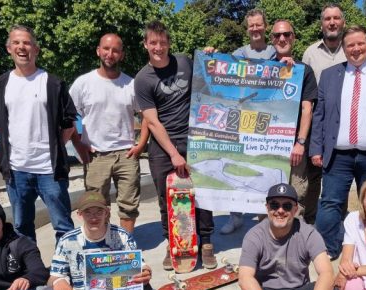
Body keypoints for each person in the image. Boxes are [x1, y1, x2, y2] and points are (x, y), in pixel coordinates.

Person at [0, 25, 88, 244]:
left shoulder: (52, 83)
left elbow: (69, 121)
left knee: (62, 224)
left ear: (36, 49)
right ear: (9, 48)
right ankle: (31, 271)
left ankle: (66, 268)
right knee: (22, 226)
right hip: (16, 170)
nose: (22, 47)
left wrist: (57, 147)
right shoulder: (0, 85)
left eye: (27, 43)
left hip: (49, 169)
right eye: (16, 43)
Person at [310, 25, 366, 259]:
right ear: (344, 48)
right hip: (338, 154)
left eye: (360, 43)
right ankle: (330, 249)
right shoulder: (330, 75)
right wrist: (316, 148)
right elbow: (319, 114)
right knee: (330, 204)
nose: (356, 49)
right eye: (350, 45)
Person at [134, 20, 216, 270]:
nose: (158, 47)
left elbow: (208, 79)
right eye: (153, 43)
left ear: (169, 43)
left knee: (201, 194)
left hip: (194, 140)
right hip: (162, 145)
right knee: (165, 198)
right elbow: (152, 122)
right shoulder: (142, 79)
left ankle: (207, 243)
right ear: (146, 44)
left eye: (162, 42)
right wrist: (174, 154)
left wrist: (211, 58)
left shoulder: (184, 62)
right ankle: (173, 245)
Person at [69, 33, 149, 234]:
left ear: (121, 55)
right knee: (95, 206)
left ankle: (126, 245)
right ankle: (103, 244)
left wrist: (141, 144)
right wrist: (79, 145)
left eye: (115, 50)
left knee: (129, 205)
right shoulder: (83, 83)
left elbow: (146, 115)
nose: (110, 54)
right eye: (106, 48)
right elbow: (67, 116)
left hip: (126, 154)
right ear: (98, 51)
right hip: (96, 155)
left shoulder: (131, 84)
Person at [220, 8, 277, 235]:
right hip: (242, 117)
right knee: (237, 166)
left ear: (265, 26)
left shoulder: (275, 53)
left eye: (258, 24)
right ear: (247, 28)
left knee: (264, 167)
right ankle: (236, 216)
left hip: (268, 119)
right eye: (251, 25)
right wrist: (210, 55)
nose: (255, 29)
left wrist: (289, 61)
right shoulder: (238, 53)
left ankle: (265, 215)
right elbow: (221, 73)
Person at [269, 20, 320, 226]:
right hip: (266, 145)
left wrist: (300, 142)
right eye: (277, 35)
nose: (282, 39)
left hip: (294, 146)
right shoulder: (262, 68)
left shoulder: (303, 71)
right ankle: (269, 239)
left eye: (287, 34)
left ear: (294, 38)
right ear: (271, 39)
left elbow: (307, 108)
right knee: (268, 192)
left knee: (297, 192)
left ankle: (297, 238)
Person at [302, 3, 347, 83]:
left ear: (344, 23)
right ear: (321, 25)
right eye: (327, 19)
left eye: (336, 18)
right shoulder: (310, 53)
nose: (332, 23)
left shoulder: (353, 51)